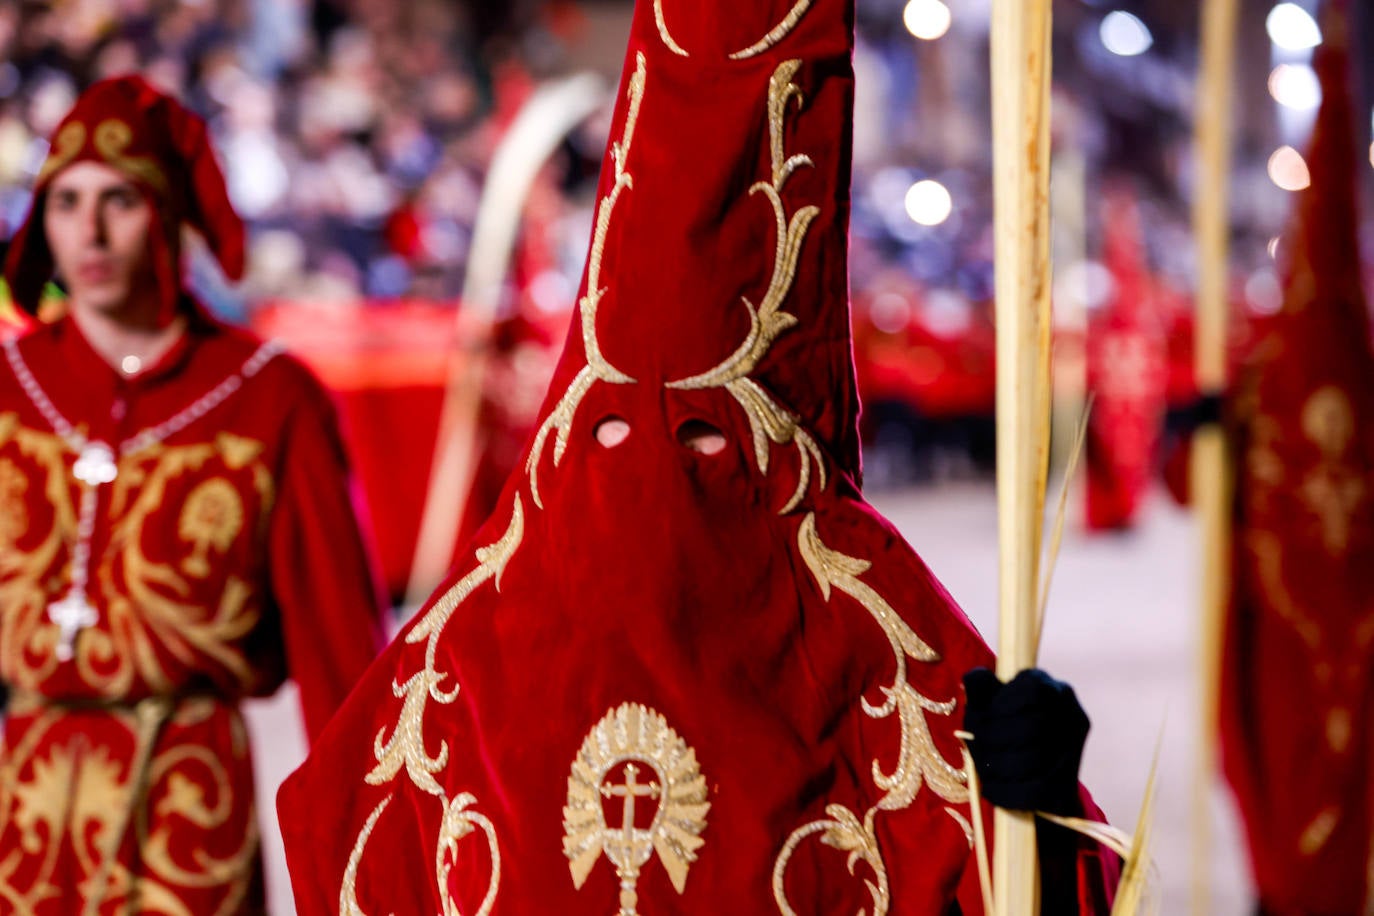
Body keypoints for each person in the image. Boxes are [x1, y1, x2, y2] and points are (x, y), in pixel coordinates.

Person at [278, 0, 1118, 912]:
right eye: (608, 431)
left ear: (780, 458)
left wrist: (1038, 803)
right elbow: (337, 821)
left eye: (703, 438)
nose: (650, 473)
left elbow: (1017, 880)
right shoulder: (469, 645)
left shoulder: (870, 637)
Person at [0, 75, 387, 914]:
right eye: (65, 201)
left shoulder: (269, 397)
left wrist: (366, 857)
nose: (90, 233)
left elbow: (342, 654)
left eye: (120, 201)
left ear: (168, 214)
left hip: (188, 799)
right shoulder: (8, 385)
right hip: (22, 816)